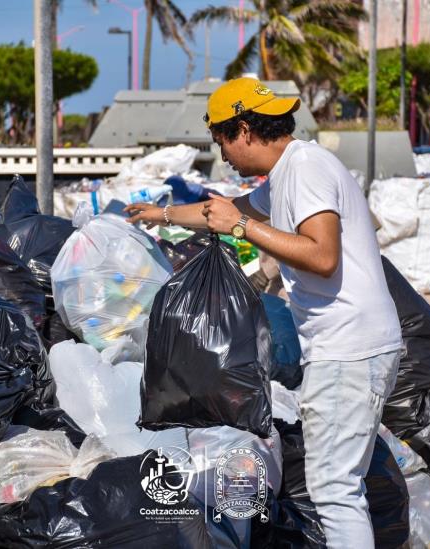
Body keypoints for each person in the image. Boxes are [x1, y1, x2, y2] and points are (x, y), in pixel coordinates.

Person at [124, 77, 402, 548]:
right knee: (336, 486)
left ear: (245, 130)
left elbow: (322, 255)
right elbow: (225, 210)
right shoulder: (288, 173)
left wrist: (245, 228)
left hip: (349, 349)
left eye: (221, 140)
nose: (224, 154)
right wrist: (162, 216)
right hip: (348, 347)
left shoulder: (307, 168)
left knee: (335, 492)